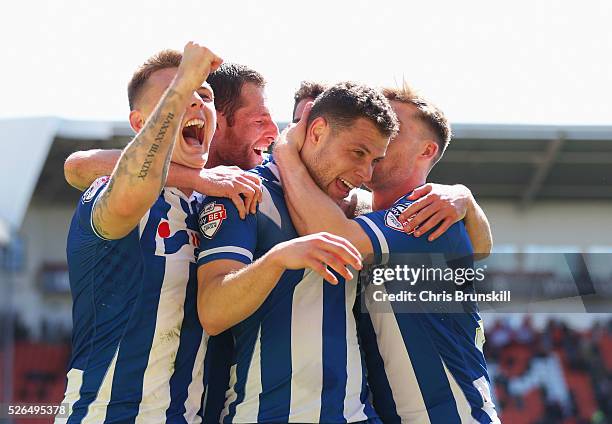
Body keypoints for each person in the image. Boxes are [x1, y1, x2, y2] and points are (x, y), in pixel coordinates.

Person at [274, 84, 499, 423]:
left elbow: (332, 236)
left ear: (426, 150)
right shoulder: (371, 219)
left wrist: (285, 152)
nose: (383, 132)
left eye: (394, 126)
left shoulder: (425, 211)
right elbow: (481, 248)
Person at [57, 42, 227, 423]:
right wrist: (183, 84)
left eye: (205, 94)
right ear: (138, 123)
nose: (196, 102)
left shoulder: (213, 207)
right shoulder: (111, 192)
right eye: (178, 94)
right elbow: (100, 172)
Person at [63, 62, 278, 218]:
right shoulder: (137, 191)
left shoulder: (249, 183)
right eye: (259, 121)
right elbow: (77, 166)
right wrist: (199, 178)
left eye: (204, 96)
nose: (274, 134)